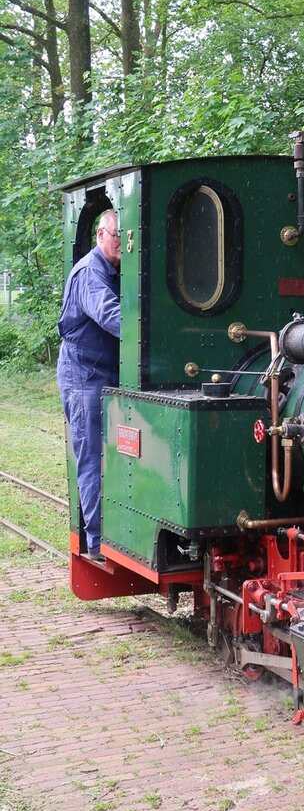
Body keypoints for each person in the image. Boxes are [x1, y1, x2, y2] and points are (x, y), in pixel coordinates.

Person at [57, 209, 122, 557]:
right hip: (84, 375)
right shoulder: (90, 273)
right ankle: (96, 541)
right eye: (116, 238)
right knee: (92, 456)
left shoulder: (114, 270)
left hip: (107, 371)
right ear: (100, 234)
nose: (122, 245)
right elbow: (111, 315)